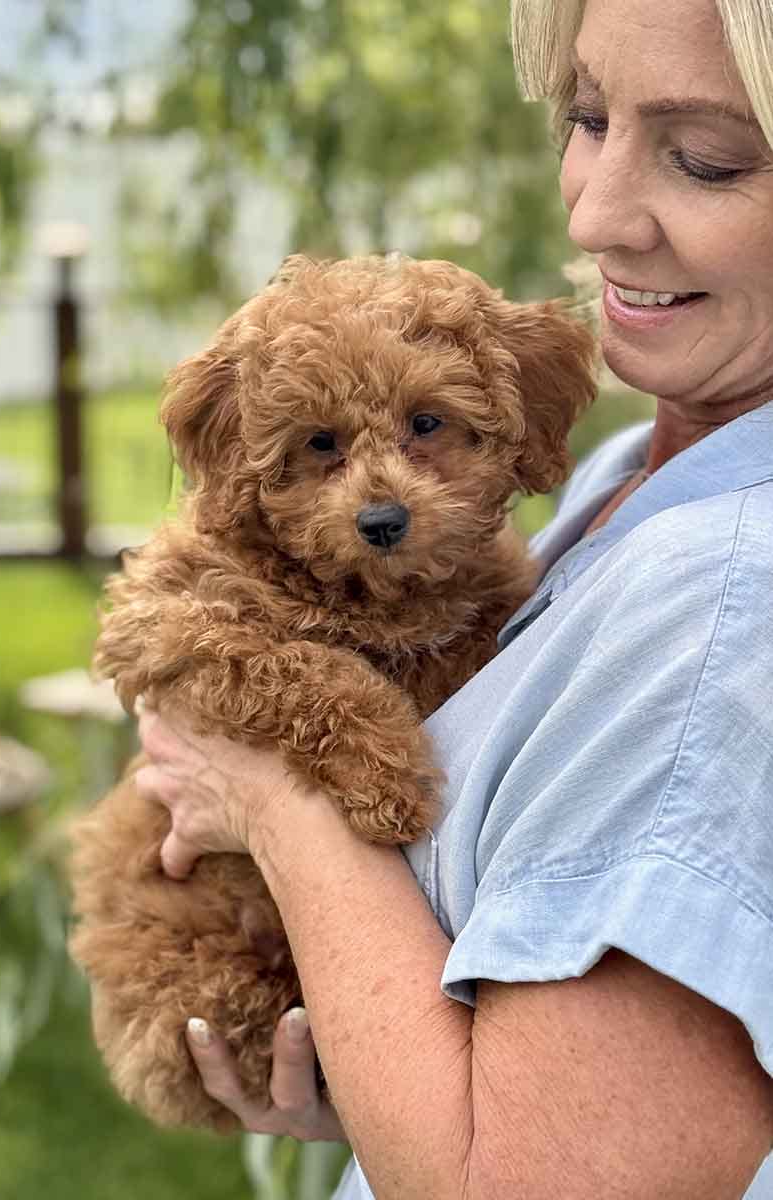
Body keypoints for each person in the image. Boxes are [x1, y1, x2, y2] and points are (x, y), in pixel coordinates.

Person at [132, 0, 773, 1194]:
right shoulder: (629, 475)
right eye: (586, 117)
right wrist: (386, 1078)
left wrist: (271, 795)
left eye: (706, 159)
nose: (591, 210)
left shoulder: (728, 610)